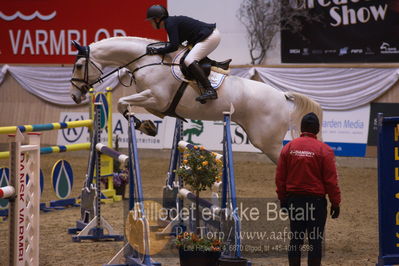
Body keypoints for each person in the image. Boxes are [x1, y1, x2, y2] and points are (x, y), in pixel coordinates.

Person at [275, 112, 341, 266]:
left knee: (296, 239)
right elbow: (331, 181)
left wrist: (283, 199)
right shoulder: (325, 150)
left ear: (301, 128)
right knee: (315, 240)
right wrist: (335, 203)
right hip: (316, 202)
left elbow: (280, 178)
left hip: (294, 200)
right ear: (317, 129)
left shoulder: (288, 148)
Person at [146, 4, 221, 103]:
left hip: (210, 37)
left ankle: (209, 89)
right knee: (188, 55)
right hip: (208, 36)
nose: (150, 23)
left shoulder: (170, 24)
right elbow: (177, 45)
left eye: (151, 20)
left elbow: (174, 46)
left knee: (189, 60)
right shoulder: (170, 22)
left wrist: (157, 51)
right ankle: (212, 68)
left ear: (158, 19)